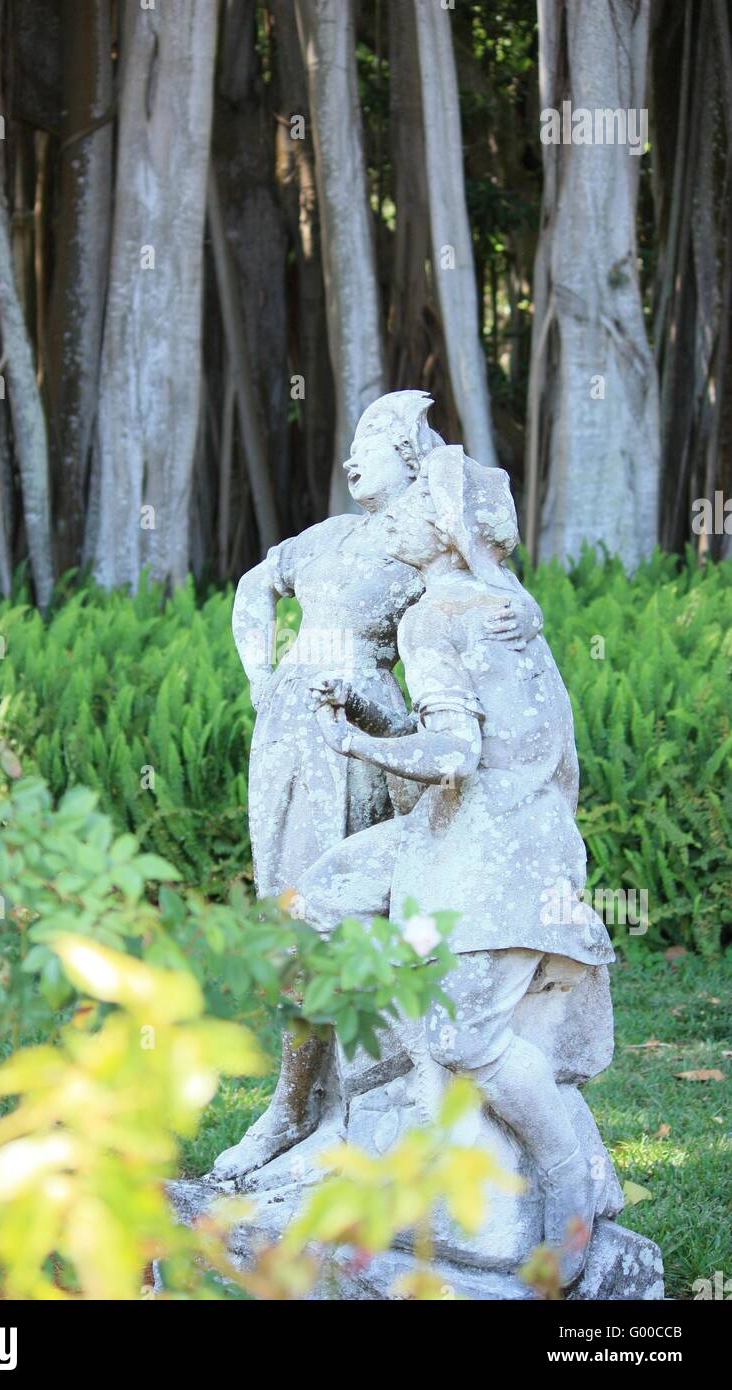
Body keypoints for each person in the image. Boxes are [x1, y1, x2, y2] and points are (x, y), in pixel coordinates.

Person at [297, 445, 614, 1285]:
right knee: (327, 895)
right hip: (482, 829)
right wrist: (368, 705)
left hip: (493, 840)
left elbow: (456, 754)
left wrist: (353, 741)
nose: (385, 520)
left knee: (466, 1032)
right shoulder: (499, 601)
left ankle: (563, 1185)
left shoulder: (435, 615)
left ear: (440, 525)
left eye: (404, 510)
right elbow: (456, 726)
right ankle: (409, 1098)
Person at [215, 395, 541, 1180]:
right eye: (352, 444)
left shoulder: (425, 543)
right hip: (290, 731)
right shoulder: (323, 538)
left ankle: (341, 1110)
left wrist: (519, 617)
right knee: (290, 912)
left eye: (373, 444)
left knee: (353, 919)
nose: (353, 458)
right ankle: (298, 1102)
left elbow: (500, 593)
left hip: (372, 734)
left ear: (413, 458)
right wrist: (263, 678)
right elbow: (252, 590)